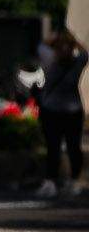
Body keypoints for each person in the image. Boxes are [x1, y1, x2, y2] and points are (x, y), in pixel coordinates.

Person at [35, 32, 83, 198]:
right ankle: (70, 181)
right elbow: (85, 52)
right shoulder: (76, 62)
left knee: (56, 147)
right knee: (70, 147)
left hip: (55, 110)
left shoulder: (50, 60)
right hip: (69, 110)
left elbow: (42, 44)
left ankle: (53, 181)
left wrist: (56, 38)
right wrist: (73, 40)